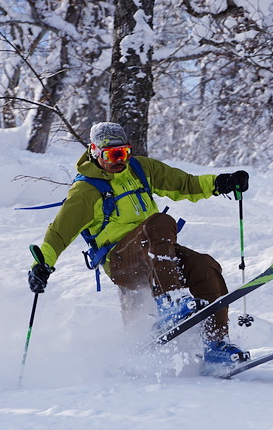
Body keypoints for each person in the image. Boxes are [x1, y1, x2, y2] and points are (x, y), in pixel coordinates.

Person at [28, 122, 251, 370]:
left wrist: (221, 183)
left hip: (153, 251)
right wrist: (42, 264)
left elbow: (184, 183)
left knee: (205, 266)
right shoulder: (86, 190)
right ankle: (170, 302)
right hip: (121, 261)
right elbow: (59, 233)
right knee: (159, 222)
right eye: (112, 155)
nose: (119, 160)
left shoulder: (140, 169)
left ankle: (215, 345)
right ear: (95, 151)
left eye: (123, 152)